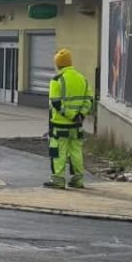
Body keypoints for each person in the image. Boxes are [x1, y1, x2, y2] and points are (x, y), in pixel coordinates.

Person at [45, 49, 94, 189]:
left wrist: (70, 115)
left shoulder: (57, 80)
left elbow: (55, 102)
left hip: (59, 125)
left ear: (58, 64)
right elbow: (89, 100)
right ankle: (78, 180)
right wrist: (80, 115)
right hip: (77, 126)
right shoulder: (82, 78)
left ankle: (58, 180)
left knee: (58, 153)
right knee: (76, 152)